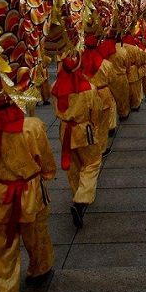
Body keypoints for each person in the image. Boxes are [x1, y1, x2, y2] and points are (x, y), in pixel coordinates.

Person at [0, 102, 56, 292]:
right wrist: (45, 174)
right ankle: (40, 269)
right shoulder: (32, 126)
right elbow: (46, 162)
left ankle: (5, 291)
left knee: (1, 251)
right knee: (37, 235)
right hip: (31, 193)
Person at [51, 55, 104, 229]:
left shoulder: (55, 87)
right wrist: (95, 128)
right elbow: (96, 111)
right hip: (84, 130)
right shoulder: (89, 88)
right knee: (92, 163)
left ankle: (77, 192)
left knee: (73, 165)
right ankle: (81, 200)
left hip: (65, 130)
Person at [81, 35, 122, 155]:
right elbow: (112, 80)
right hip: (103, 94)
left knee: (89, 122)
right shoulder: (106, 64)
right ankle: (101, 149)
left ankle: (90, 147)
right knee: (103, 124)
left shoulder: (80, 63)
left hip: (87, 96)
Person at [100, 35, 131, 121]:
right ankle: (123, 114)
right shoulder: (122, 51)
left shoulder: (101, 50)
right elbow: (128, 66)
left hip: (106, 79)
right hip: (120, 77)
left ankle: (110, 122)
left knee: (110, 101)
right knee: (122, 98)